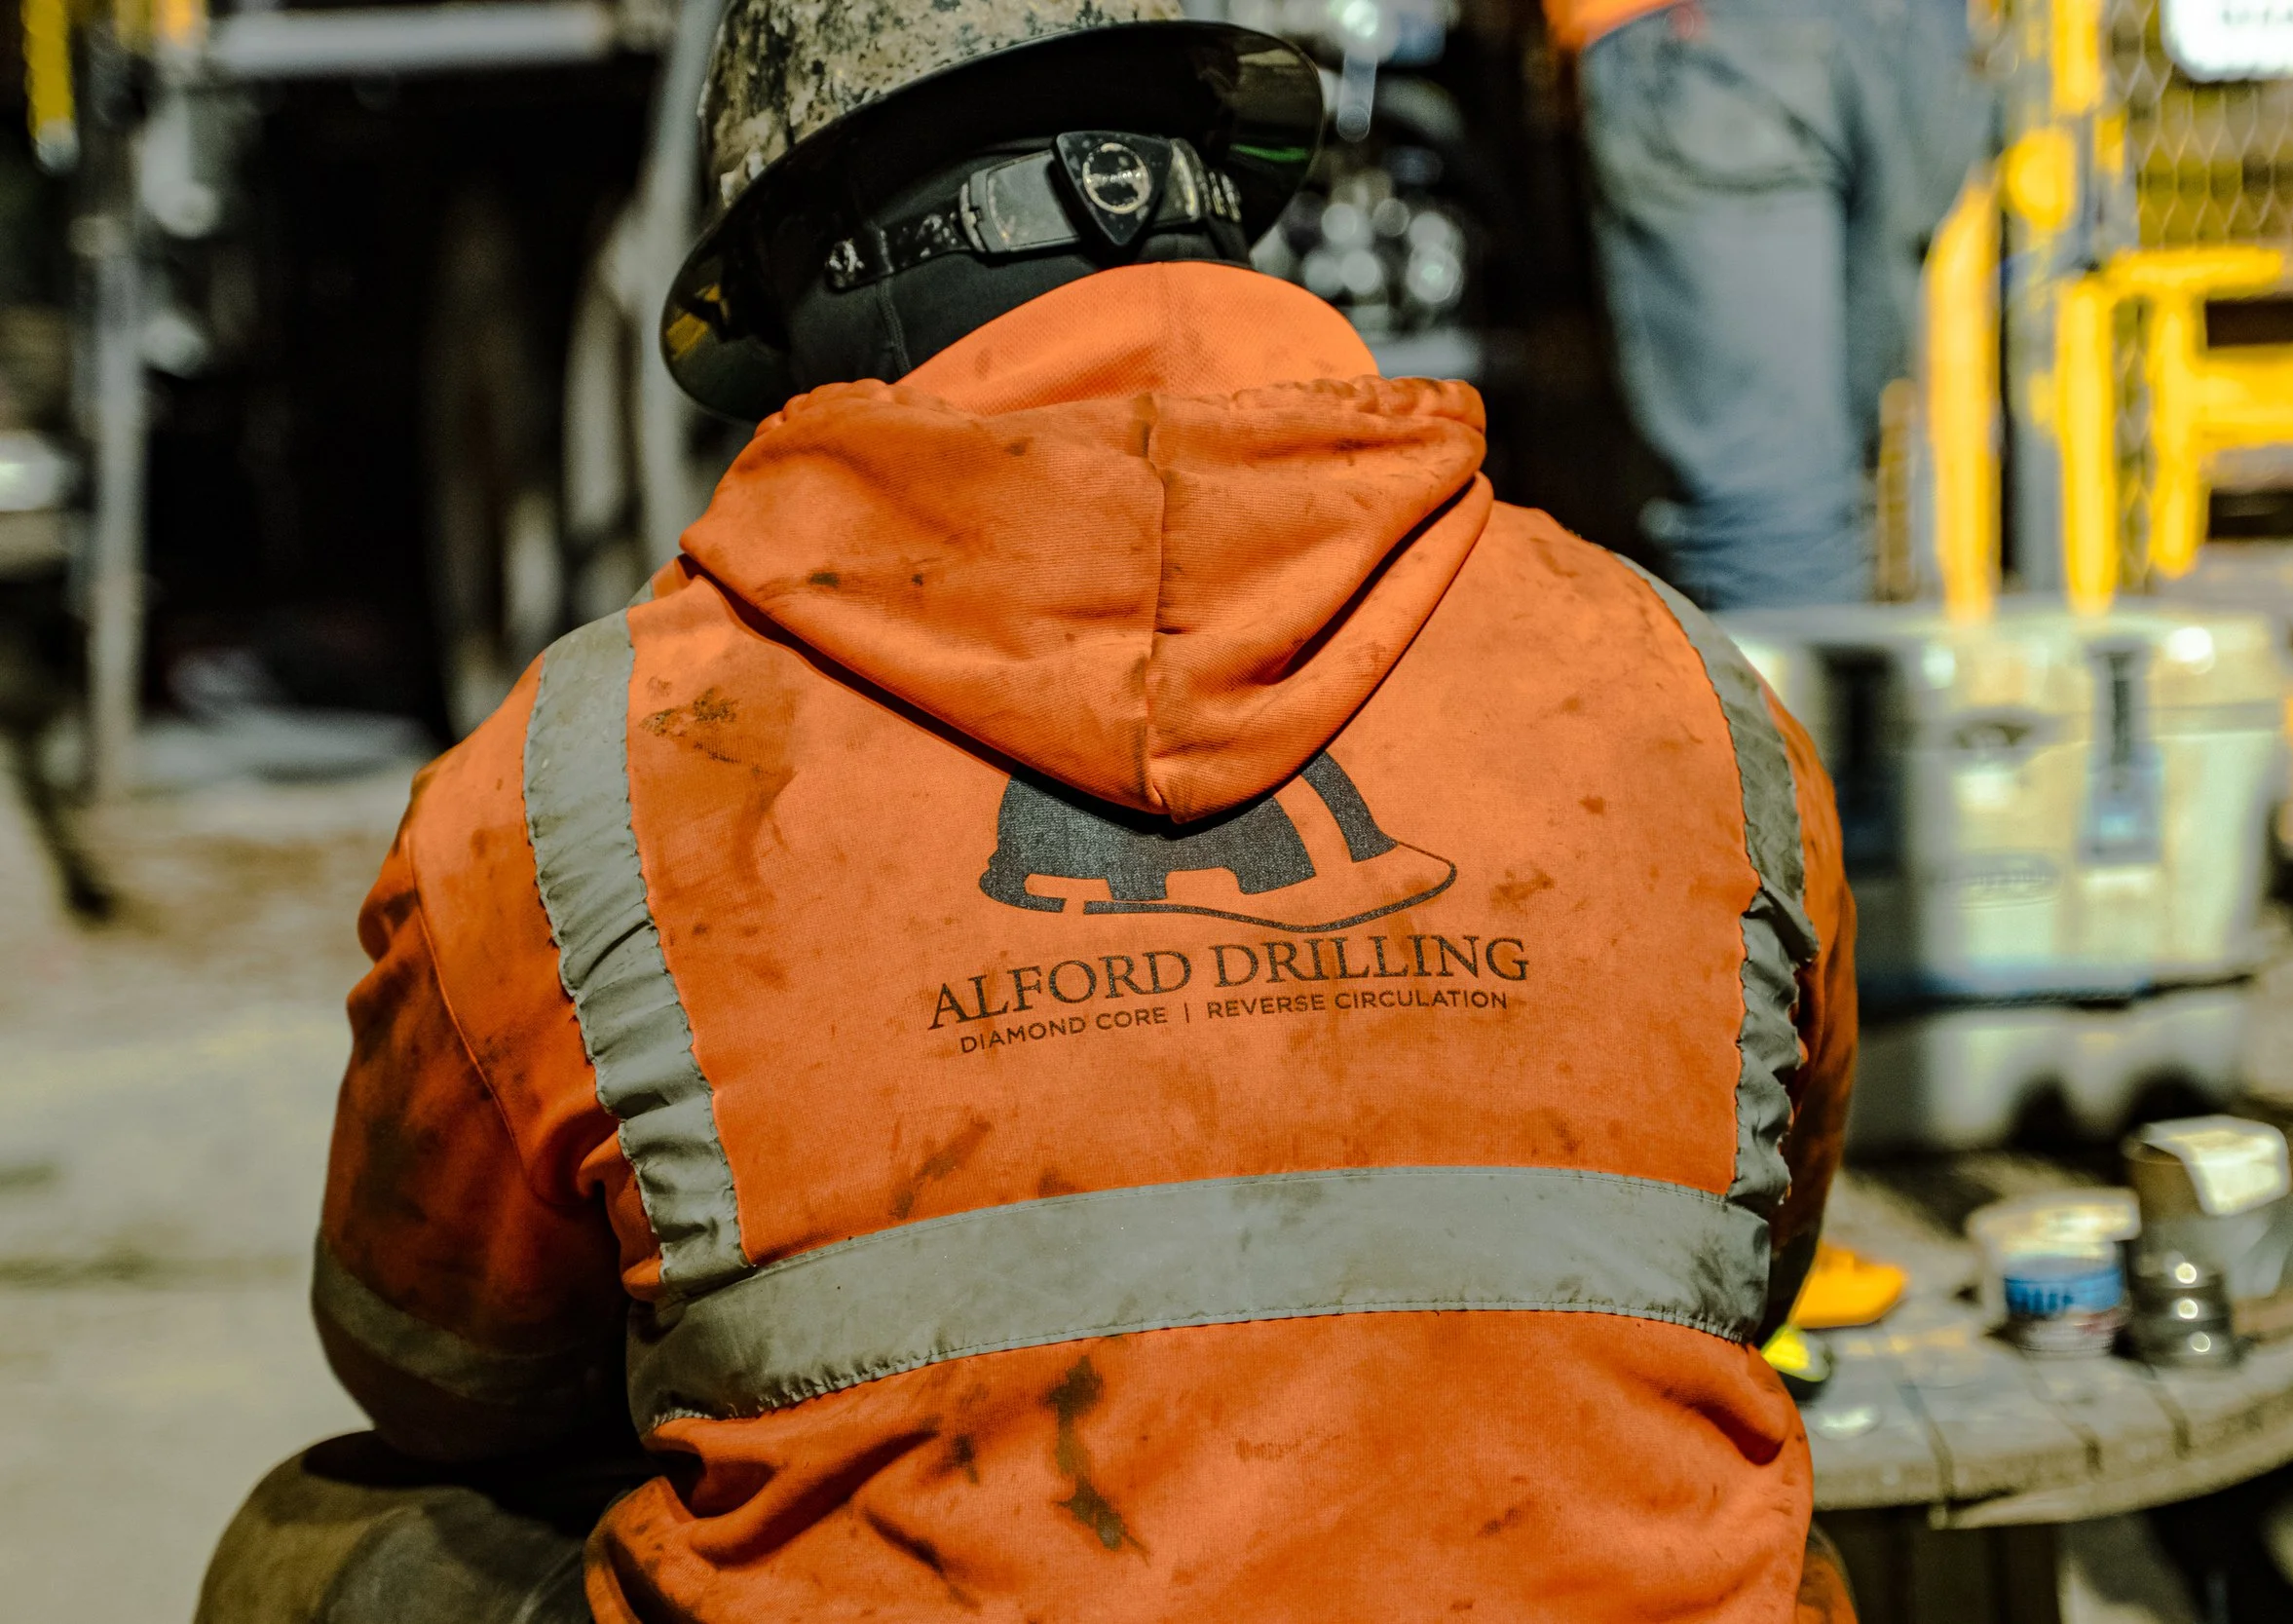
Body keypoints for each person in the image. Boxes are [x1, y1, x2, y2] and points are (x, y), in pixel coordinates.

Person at [201, 2, 1858, 1618]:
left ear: (802, 303)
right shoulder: (1682, 697)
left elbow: (438, 1370)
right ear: (1223, 210)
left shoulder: (574, 787)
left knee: (315, 1545)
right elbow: (1747, 1265)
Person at [1548, 0, 1989, 610]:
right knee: (1826, 486)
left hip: (1711, 36)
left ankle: (1797, 705)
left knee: (1774, 518)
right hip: (1918, 35)